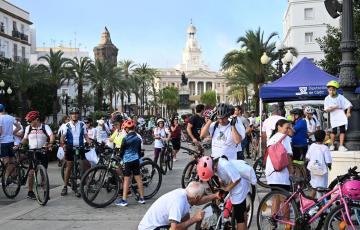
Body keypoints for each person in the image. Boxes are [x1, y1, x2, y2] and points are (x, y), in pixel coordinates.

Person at [197, 155, 254, 230]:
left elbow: (237, 179)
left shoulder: (225, 165)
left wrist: (227, 189)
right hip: (232, 182)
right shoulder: (214, 164)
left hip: (239, 186)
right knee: (242, 211)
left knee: (239, 218)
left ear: (213, 168)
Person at [138, 181, 219, 230]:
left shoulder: (185, 193)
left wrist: (215, 195)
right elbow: (174, 228)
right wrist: (194, 219)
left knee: (186, 215)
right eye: (201, 196)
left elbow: (198, 201)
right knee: (186, 218)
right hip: (150, 228)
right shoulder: (179, 202)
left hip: (159, 224)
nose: (202, 198)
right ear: (197, 197)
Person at [21, 111, 55, 200]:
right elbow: (24, 139)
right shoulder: (28, 128)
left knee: (43, 172)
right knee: (32, 172)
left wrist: (51, 143)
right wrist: (19, 145)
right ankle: (30, 191)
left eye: (30, 121)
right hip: (32, 151)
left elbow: (51, 136)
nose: (29, 123)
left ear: (36, 120)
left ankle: (45, 192)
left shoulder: (45, 127)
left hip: (43, 150)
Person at [60, 107, 91, 197]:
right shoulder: (66, 125)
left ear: (78, 115)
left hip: (80, 148)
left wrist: (90, 142)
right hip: (70, 148)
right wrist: (63, 143)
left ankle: (85, 184)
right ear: (70, 115)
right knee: (69, 167)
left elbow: (86, 136)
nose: (74, 115)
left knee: (84, 165)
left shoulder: (82, 124)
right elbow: (63, 136)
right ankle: (65, 186)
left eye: (76, 113)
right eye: (73, 113)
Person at [114, 119, 145, 206]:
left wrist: (119, 156)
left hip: (128, 161)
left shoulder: (125, 138)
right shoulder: (138, 138)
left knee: (126, 180)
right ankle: (142, 198)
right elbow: (139, 151)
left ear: (127, 129)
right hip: (136, 160)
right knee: (138, 178)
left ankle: (124, 200)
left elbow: (122, 152)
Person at [324, 80, 352, 151]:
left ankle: (341, 146)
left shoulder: (340, 97)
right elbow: (326, 109)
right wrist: (333, 107)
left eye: (333, 90)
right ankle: (332, 145)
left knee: (342, 130)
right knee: (334, 131)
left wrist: (348, 112)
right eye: (330, 90)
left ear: (336, 90)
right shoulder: (327, 98)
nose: (331, 92)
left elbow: (348, 104)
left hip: (341, 115)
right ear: (328, 90)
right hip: (333, 116)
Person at [266, 119, 294, 191]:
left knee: (276, 197)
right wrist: (291, 170)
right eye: (287, 128)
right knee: (284, 198)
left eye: (289, 128)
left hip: (271, 171)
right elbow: (288, 156)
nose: (288, 130)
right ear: (279, 127)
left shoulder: (272, 137)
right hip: (282, 174)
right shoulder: (286, 138)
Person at [306, 130, 332, 198]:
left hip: (313, 169)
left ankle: (310, 203)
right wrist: (329, 166)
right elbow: (328, 161)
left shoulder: (312, 146)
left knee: (314, 186)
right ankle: (320, 206)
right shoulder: (325, 148)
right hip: (321, 171)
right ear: (323, 138)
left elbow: (307, 157)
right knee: (321, 189)